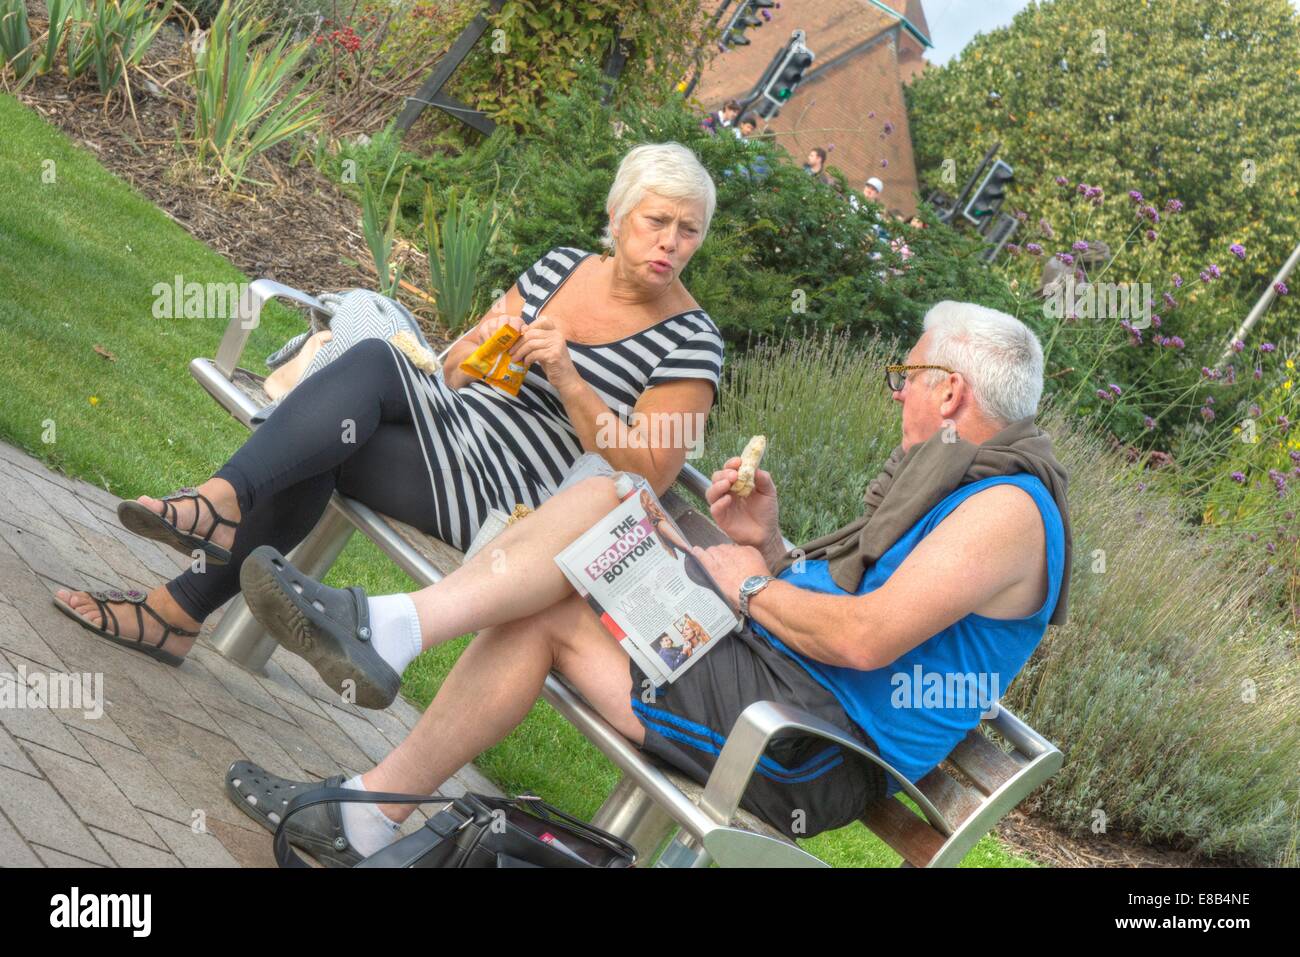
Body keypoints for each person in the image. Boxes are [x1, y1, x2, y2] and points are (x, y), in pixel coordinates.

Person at [224, 300, 1073, 864]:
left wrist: (744, 586)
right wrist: (765, 545)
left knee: (600, 519)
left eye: (906, 379)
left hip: (799, 748)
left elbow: (862, 639)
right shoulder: (964, 483)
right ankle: (369, 797)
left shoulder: (1008, 510)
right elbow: (840, 615)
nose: (900, 400)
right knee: (609, 510)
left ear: (949, 389)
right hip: (775, 690)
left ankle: (385, 666)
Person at [51, 142, 725, 667]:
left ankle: (205, 534)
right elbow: (456, 370)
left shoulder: (694, 343)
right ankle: (184, 590)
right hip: (458, 427)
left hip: (519, 500)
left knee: (353, 397)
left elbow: (648, 476)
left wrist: (571, 379)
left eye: (687, 230)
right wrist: (480, 345)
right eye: (656, 220)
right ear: (617, 216)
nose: (670, 241)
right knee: (345, 415)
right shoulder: (562, 267)